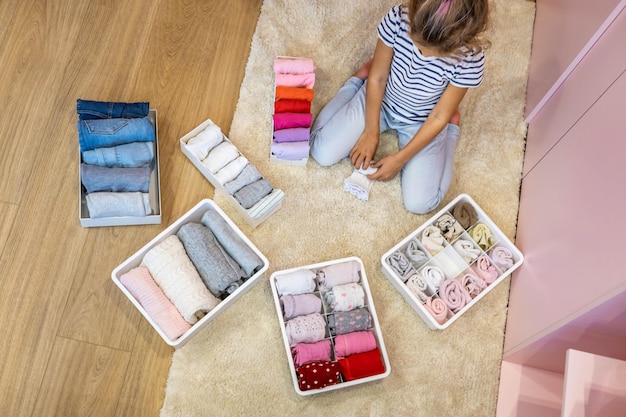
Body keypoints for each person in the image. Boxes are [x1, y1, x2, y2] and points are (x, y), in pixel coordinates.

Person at [309, 0, 490, 214]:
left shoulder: (470, 58)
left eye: (435, 54)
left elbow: (439, 116)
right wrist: (371, 131)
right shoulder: (398, 17)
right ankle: (356, 80)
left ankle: (452, 129)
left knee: (421, 204)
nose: (424, 56)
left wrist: (399, 160)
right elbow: (378, 78)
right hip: (381, 97)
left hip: (426, 119)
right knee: (321, 152)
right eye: (418, 45)